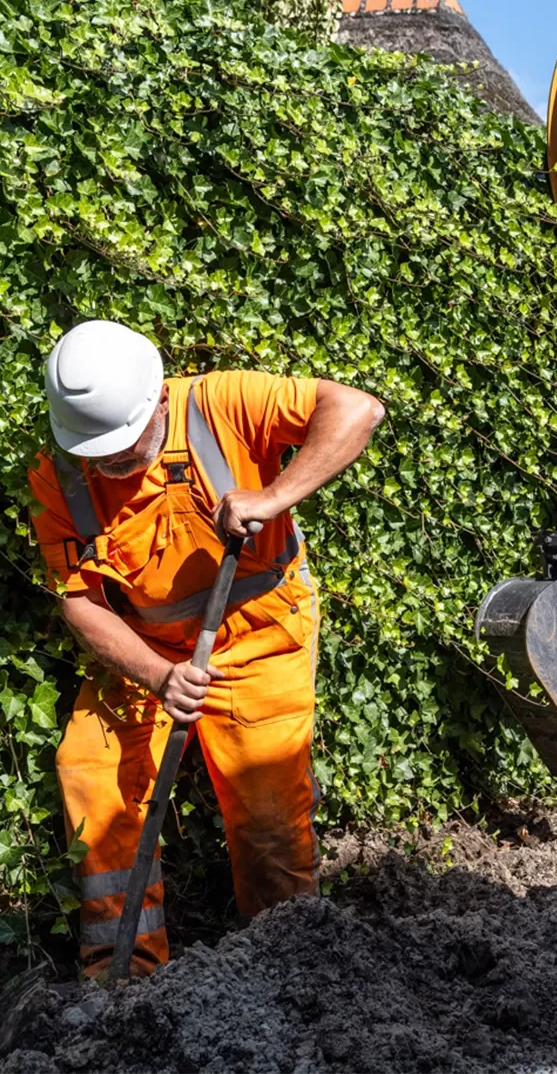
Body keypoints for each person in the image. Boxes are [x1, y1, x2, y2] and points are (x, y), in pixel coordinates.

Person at [28, 320, 384, 978]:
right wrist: (160, 675)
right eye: (96, 452)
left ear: (159, 401)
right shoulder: (60, 476)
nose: (108, 466)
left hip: (259, 635)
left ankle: (284, 967)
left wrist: (274, 496)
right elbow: (78, 601)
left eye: (123, 449)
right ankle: (123, 974)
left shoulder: (222, 404)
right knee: (92, 769)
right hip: (144, 653)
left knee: (267, 817)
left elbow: (358, 409)